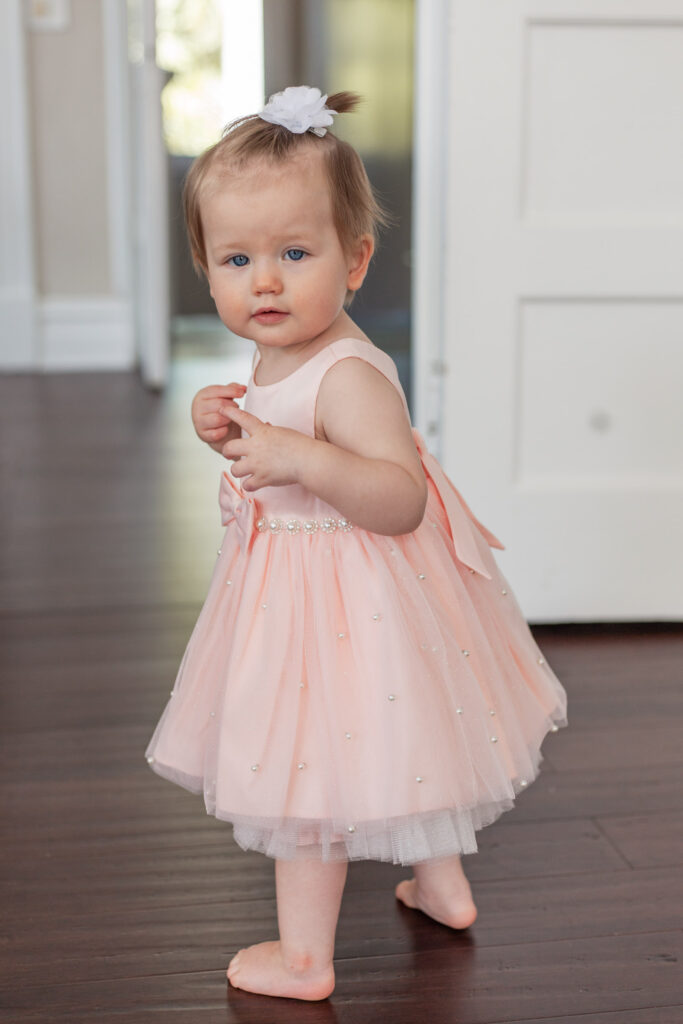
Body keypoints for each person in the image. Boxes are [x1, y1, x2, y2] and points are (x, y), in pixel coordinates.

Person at [144, 86, 568, 1001]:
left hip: (344, 600)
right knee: (408, 739)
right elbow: (272, 435)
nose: (265, 280)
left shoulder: (348, 376)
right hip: (315, 586)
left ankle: (303, 961)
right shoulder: (280, 349)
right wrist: (220, 421)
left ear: (356, 261)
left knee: (311, 773)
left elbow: (398, 497)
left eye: (295, 254)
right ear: (204, 268)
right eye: (237, 258)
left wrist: (297, 452)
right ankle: (443, 885)